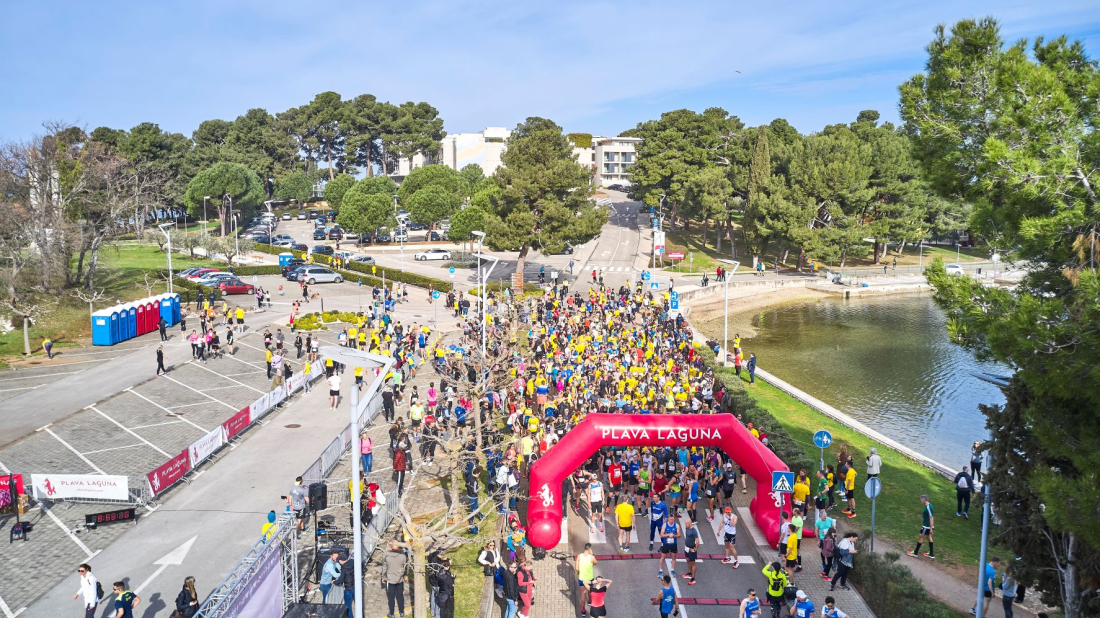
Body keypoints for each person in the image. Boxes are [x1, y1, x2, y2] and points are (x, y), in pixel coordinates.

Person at [382, 542, 408, 618]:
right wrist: (405, 575)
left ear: (391, 548)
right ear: (399, 548)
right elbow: (406, 567)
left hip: (390, 580)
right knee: (400, 596)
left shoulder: (387, 557)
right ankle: (402, 612)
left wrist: (383, 577)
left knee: (391, 598)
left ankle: (392, 613)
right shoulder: (403, 557)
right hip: (399, 579)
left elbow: (384, 568)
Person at [907, 494, 935, 559]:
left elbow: (931, 517)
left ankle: (915, 553)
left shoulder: (928, 507)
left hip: (926, 526)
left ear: (924, 500)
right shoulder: (929, 505)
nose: (920, 501)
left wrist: (931, 528)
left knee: (920, 537)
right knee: (929, 537)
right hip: (927, 525)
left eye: (921, 500)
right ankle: (931, 554)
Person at [575, 543, 597, 615]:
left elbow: (576, 568)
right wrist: (593, 554)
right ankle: (590, 601)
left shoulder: (579, 556)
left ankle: (583, 610)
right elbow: (595, 563)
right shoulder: (591, 557)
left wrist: (578, 573)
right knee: (590, 591)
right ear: (590, 549)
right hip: (589, 578)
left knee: (582, 594)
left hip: (582, 578)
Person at [658, 513, 681, 580]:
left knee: (674, 557)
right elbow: (661, 535)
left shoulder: (677, 525)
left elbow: (679, 535)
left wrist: (674, 536)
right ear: (668, 519)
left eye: (672, 519)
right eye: (670, 519)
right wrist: (668, 535)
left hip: (673, 544)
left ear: (674, 519)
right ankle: (660, 570)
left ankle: (672, 570)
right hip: (666, 544)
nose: (671, 520)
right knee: (663, 557)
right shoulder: (665, 525)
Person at [683, 517, 700, 585]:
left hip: (692, 548)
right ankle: (690, 573)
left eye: (686, 523)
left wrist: (695, 549)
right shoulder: (687, 528)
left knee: (693, 563)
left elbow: (697, 541)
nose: (685, 524)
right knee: (687, 560)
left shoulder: (694, 531)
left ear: (690, 523)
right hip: (686, 548)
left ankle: (693, 578)